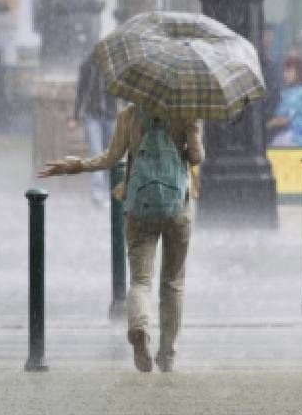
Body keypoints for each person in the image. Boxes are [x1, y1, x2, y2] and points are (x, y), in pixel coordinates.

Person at [39, 104, 203, 373]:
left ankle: (139, 328)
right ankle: (167, 355)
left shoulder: (130, 114)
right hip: (177, 208)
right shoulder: (185, 111)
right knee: (172, 282)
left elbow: (110, 158)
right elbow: (196, 157)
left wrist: (75, 166)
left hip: (140, 207)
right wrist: (188, 140)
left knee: (140, 280)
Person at [69, 54, 118, 208]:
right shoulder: (88, 65)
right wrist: (75, 116)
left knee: (110, 155)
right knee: (96, 154)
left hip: (110, 116)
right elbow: (81, 91)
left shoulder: (115, 66)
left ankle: (112, 192)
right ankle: (98, 194)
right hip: (93, 117)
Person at [267, 55, 302, 147]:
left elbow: (285, 119)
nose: (284, 75)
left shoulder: (297, 94)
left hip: (296, 138)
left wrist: (266, 126)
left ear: (298, 72)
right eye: (284, 71)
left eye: (288, 71)